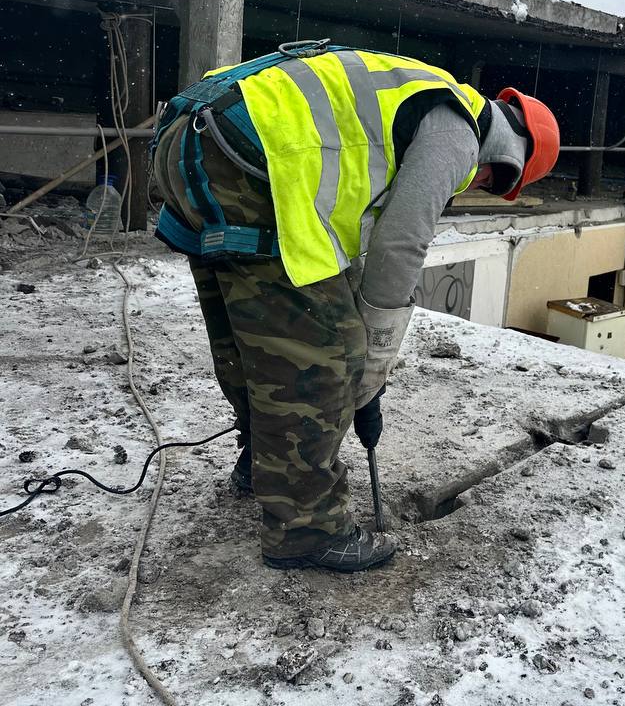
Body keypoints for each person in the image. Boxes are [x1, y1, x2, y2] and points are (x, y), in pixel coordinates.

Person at [150, 40, 559, 572]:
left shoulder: (412, 92)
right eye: (493, 181)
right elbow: (399, 245)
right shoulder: (458, 127)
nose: (476, 184)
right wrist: (373, 353)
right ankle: (307, 529)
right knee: (325, 356)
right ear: (509, 156)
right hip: (252, 155)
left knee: (254, 334)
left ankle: (265, 462)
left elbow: (362, 238)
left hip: (191, 139)